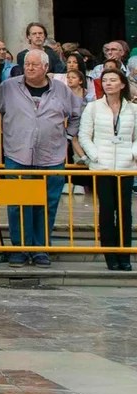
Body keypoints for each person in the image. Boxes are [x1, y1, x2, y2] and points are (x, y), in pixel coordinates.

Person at [0, 48, 83, 266]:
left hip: (52, 156)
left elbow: (76, 114)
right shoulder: (9, 87)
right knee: (18, 204)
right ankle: (19, 248)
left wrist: (68, 136)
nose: (29, 68)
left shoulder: (61, 90)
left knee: (47, 203)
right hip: (18, 155)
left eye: (35, 65)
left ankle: (41, 248)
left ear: (46, 68)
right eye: (27, 64)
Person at [77, 68, 136, 271]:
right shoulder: (93, 107)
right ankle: (110, 256)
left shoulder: (133, 109)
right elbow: (84, 135)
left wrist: (132, 154)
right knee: (106, 211)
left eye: (113, 80)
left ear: (122, 84)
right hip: (102, 166)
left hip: (126, 167)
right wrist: (95, 156)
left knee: (125, 212)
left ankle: (125, 255)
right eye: (105, 80)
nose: (109, 83)